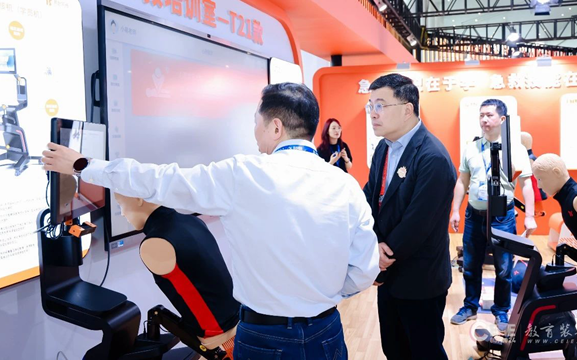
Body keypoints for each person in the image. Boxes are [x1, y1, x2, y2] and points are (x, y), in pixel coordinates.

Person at [42, 83, 380, 360]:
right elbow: (366, 270)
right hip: (327, 331)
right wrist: (323, 297)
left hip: (265, 337)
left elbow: (159, 180)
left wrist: (84, 165)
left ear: (276, 127)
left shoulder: (243, 175)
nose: (255, 132)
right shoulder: (346, 185)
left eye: (257, 122)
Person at [363, 73, 456, 360]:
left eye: (381, 105)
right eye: (370, 105)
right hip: (388, 276)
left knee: (425, 352)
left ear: (407, 109)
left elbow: (418, 223)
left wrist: (381, 257)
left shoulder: (432, 157)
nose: (373, 113)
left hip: (419, 278)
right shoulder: (384, 147)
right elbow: (370, 198)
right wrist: (371, 246)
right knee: (394, 349)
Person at [113, 193, 240, 354]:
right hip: (237, 318)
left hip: (215, 334)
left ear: (139, 199)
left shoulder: (155, 242)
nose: (122, 213)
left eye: (121, 204)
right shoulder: (192, 221)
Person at [449, 99, 536, 332]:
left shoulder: (515, 149)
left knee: (504, 268)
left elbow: (527, 184)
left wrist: (529, 215)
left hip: (503, 217)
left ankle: (501, 310)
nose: (484, 120)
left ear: (502, 119)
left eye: (489, 115)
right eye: (481, 115)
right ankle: (470, 306)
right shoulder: (471, 148)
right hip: (474, 215)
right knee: (470, 265)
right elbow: (462, 180)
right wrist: (455, 210)